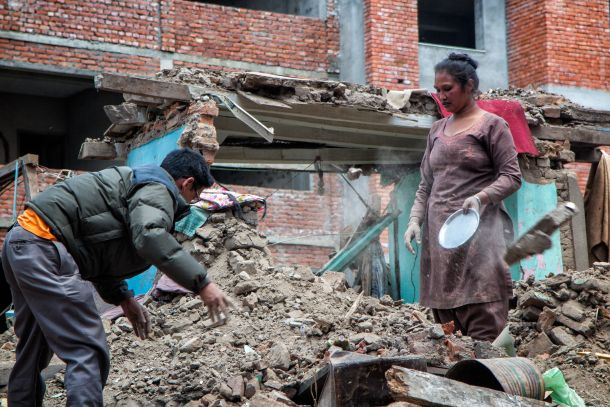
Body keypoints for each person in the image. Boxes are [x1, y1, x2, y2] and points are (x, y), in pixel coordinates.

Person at [1, 148, 231, 406]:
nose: (190, 202)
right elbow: (150, 235)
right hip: (45, 248)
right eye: (195, 194)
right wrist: (202, 284)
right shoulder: (158, 188)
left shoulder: (133, 185)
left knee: (34, 345)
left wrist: (123, 298)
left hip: (22, 243)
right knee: (86, 348)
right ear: (187, 183)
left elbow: (99, 253)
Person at [404, 53, 522, 341]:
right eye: (438, 90)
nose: (441, 96)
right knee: (449, 343)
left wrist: (481, 197)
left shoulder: (491, 125)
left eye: (448, 89)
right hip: (439, 246)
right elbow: (425, 185)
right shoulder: (436, 131)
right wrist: (414, 221)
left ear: (469, 86)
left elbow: (512, 176)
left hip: (478, 241)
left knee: (485, 337)